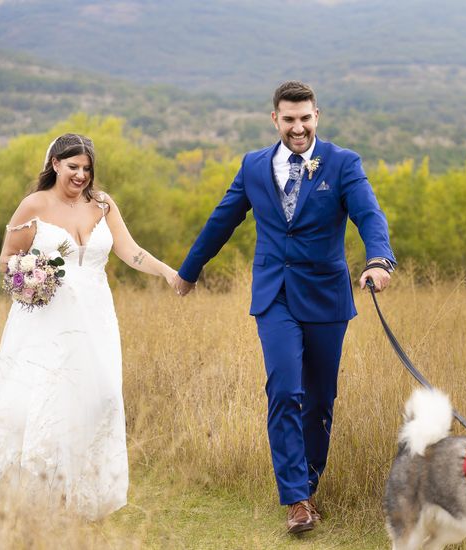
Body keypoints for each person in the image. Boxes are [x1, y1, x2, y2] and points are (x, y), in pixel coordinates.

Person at [173, 81, 396, 534]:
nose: (298, 127)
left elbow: (369, 215)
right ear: (275, 119)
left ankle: (309, 486)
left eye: (305, 118)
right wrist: (189, 271)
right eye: (289, 119)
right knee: (284, 391)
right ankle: (295, 499)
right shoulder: (254, 166)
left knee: (319, 400)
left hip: (327, 299)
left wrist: (378, 259)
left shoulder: (342, 163)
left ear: (317, 116)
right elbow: (223, 218)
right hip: (274, 296)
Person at [0, 133, 178, 520]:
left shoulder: (104, 205)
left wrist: (166, 272)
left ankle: (86, 490)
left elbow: (130, 251)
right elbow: (8, 258)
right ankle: (38, 494)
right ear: (55, 164)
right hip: (46, 317)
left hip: (95, 316)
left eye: (87, 168)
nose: (80, 175)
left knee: (102, 395)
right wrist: (27, 281)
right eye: (73, 167)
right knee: (45, 397)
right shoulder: (35, 205)